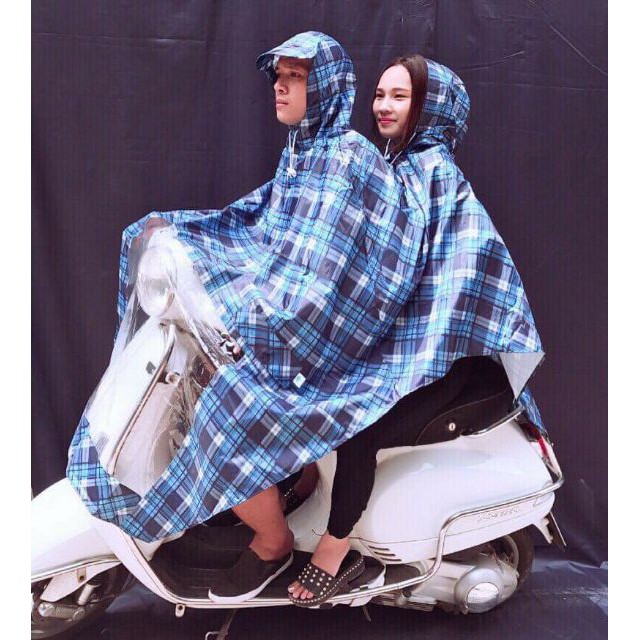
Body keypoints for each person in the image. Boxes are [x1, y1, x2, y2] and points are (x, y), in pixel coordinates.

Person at [287, 55, 545, 606]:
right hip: (413, 352)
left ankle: (335, 548)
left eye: (399, 97)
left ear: (430, 107)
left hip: (448, 363)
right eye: (380, 94)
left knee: (357, 426)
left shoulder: (436, 176)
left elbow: (459, 282)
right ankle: (311, 489)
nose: (383, 106)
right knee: (312, 385)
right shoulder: (399, 168)